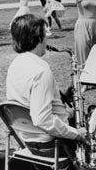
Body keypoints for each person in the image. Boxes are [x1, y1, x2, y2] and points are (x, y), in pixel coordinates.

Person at [6, 14, 88, 159]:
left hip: (28, 138)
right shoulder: (41, 71)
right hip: (52, 145)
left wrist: (62, 98)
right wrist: (77, 134)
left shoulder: (15, 64)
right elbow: (42, 119)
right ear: (38, 38)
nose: (47, 39)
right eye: (46, 34)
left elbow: (28, 102)